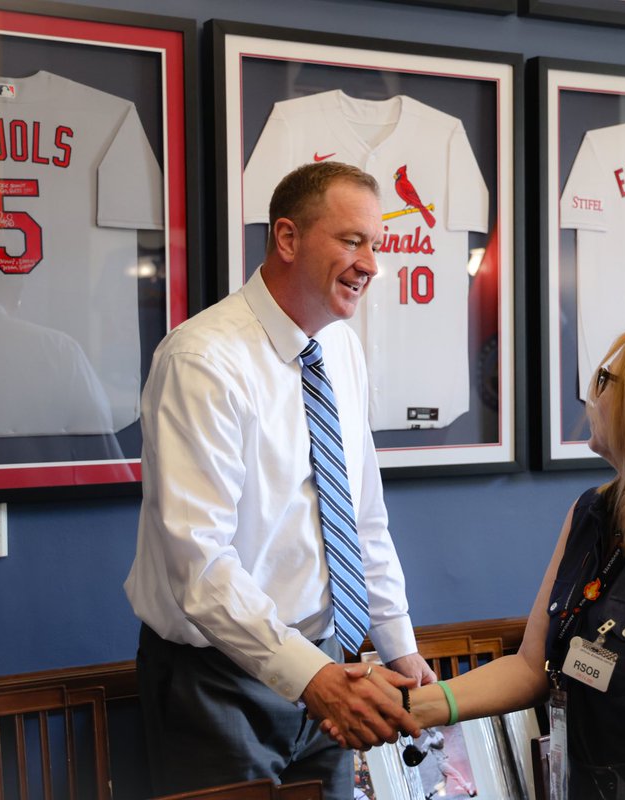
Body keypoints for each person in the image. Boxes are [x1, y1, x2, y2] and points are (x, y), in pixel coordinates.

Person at [331, 323, 625, 799]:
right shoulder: (592, 514)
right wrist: (407, 706)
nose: (590, 395)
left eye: (604, 379)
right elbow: (532, 667)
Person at [124, 161, 434, 797]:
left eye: (376, 243)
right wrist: (312, 677)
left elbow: (362, 515)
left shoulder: (341, 347)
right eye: (352, 240)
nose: (371, 264)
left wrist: (398, 646)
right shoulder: (202, 361)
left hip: (328, 668)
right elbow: (200, 566)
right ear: (288, 239)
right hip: (216, 682)